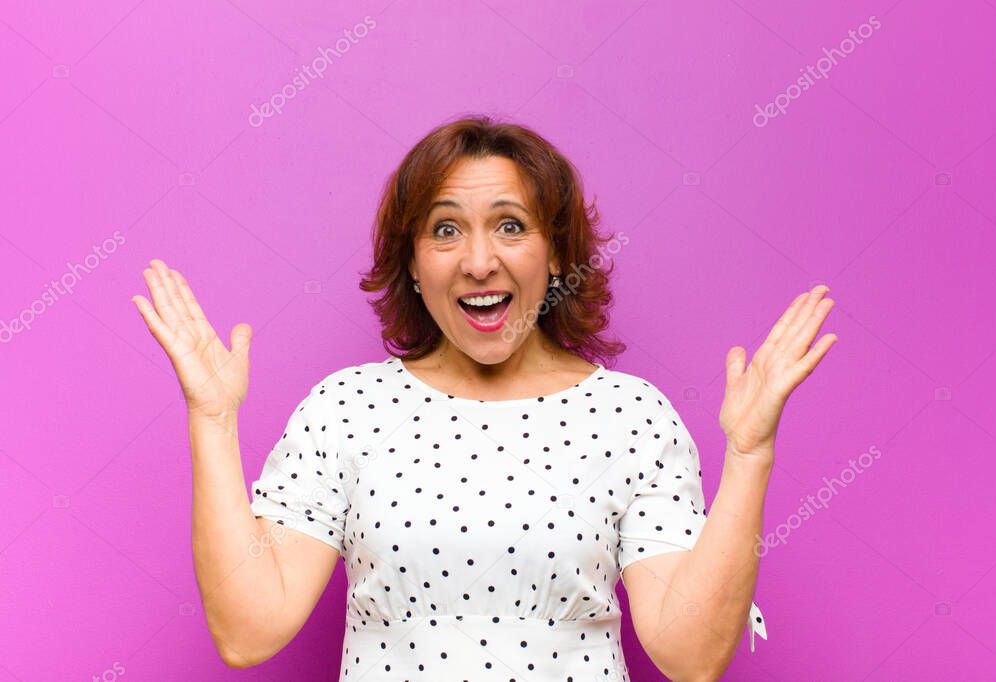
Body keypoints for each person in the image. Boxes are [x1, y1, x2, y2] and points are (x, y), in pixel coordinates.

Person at [131, 115, 837, 681]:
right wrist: (214, 420)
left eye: (510, 225)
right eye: (444, 229)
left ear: (556, 252)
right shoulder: (346, 408)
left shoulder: (632, 416)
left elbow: (690, 658)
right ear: (411, 261)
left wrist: (749, 455)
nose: (477, 260)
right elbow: (248, 632)